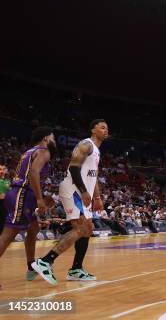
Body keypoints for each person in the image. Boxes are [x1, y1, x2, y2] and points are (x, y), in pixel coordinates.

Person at [32, 119, 109, 285]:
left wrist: (97, 197)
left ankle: (76, 269)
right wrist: (83, 191)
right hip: (74, 190)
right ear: (93, 130)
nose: (105, 130)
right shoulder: (86, 145)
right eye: (102, 127)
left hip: (83, 193)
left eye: (107, 128)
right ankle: (45, 261)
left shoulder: (96, 150)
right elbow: (74, 167)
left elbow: (93, 176)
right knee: (82, 228)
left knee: (88, 229)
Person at [0, 127, 56, 289]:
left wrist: (40, 197)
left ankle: (31, 265)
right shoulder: (44, 150)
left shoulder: (29, 151)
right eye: (52, 137)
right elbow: (33, 173)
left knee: (33, 228)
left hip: (22, 194)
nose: (54, 140)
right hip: (22, 194)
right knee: (8, 235)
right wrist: (39, 199)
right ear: (46, 138)